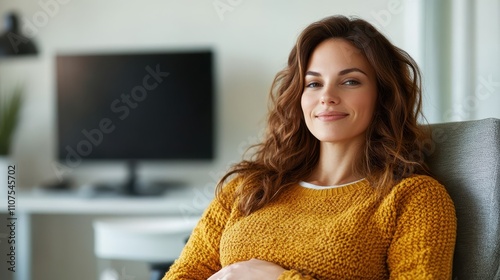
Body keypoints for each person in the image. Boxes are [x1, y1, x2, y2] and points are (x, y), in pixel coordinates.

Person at [163, 15, 456, 279]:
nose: (327, 96)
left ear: (383, 97)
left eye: (350, 81)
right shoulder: (249, 187)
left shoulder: (413, 199)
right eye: (314, 84)